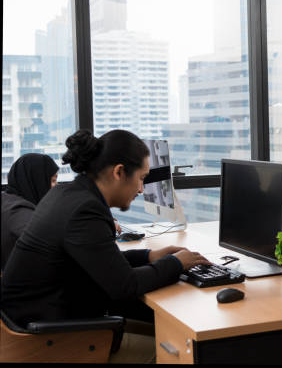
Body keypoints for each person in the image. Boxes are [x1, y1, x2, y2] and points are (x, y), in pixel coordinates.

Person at [1, 129, 209, 361]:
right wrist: (176, 264)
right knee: (177, 352)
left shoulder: (65, 194)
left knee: (164, 332)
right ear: (119, 172)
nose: (141, 190)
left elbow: (101, 261)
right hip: (45, 339)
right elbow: (125, 286)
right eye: (141, 178)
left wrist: (149, 256)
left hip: (36, 321)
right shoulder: (85, 210)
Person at [1, 153, 59, 270]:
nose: (56, 186)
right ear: (37, 181)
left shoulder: (6, 200)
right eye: (53, 181)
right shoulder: (21, 214)